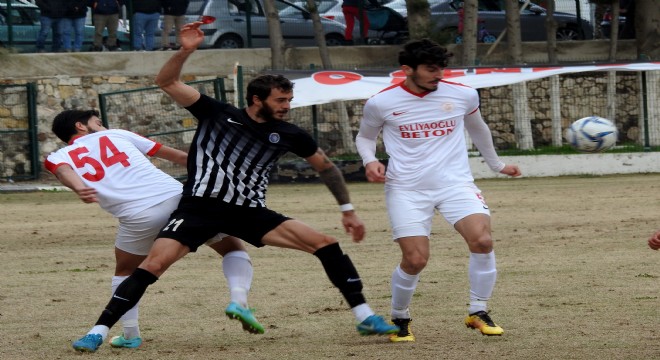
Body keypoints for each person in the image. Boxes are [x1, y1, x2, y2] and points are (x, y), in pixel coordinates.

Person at [70, 21, 398, 353]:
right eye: (281, 100)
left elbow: (326, 169)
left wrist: (348, 210)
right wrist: (186, 51)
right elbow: (166, 81)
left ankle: (364, 315)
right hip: (199, 208)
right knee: (152, 265)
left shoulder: (290, 134)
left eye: (289, 99)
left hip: (249, 212)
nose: (287, 106)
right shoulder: (215, 113)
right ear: (256, 99)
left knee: (326, 244)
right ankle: (98, 331)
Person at [44, 109, 262, 350]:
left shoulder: (56, 156)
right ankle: (238, 298)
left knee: (125, 272)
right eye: (98, 122)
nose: (104, 126)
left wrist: (78, 187)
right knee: (231, 247)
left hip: (139, 216)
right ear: (81, 126)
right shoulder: (118, 134)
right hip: (178, 199)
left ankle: (130, 334)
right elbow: (180, 157)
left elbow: (64, 171)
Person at [355, 38, 522, 342]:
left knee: (482, 241)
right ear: (407, 69)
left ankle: (478, 310)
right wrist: (369, 160)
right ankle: (400, 317)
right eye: (431, 70)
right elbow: (365, 137)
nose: (439, 75)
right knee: (416, 259)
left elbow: (478, 128)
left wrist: (496, 165)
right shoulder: (382, 102)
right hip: (406, 189)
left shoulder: (463, 95)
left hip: (455, 184)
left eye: (442, 68)